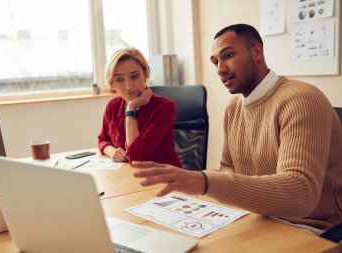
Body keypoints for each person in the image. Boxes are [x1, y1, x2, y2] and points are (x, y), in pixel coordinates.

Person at [133, 24, 342, 232]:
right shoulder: (233, 108)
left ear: (257, 52)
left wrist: (205, 181)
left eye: (228, 55)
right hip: (257, 218)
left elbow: (301, 193)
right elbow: (228, 167)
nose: (220, 69)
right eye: (215, 61)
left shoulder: (302, 99)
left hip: (312, 229)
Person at [98, 47, 180, 167]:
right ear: (112, 83)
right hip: (129, 175)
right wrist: (113, 152)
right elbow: (103, 139)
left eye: (134, 76)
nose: (128, 86)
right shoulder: (112, 106)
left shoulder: (165, 107)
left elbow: (137, 158)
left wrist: (131, 108)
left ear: (145, 74)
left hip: (164, 178)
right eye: (119, 79)